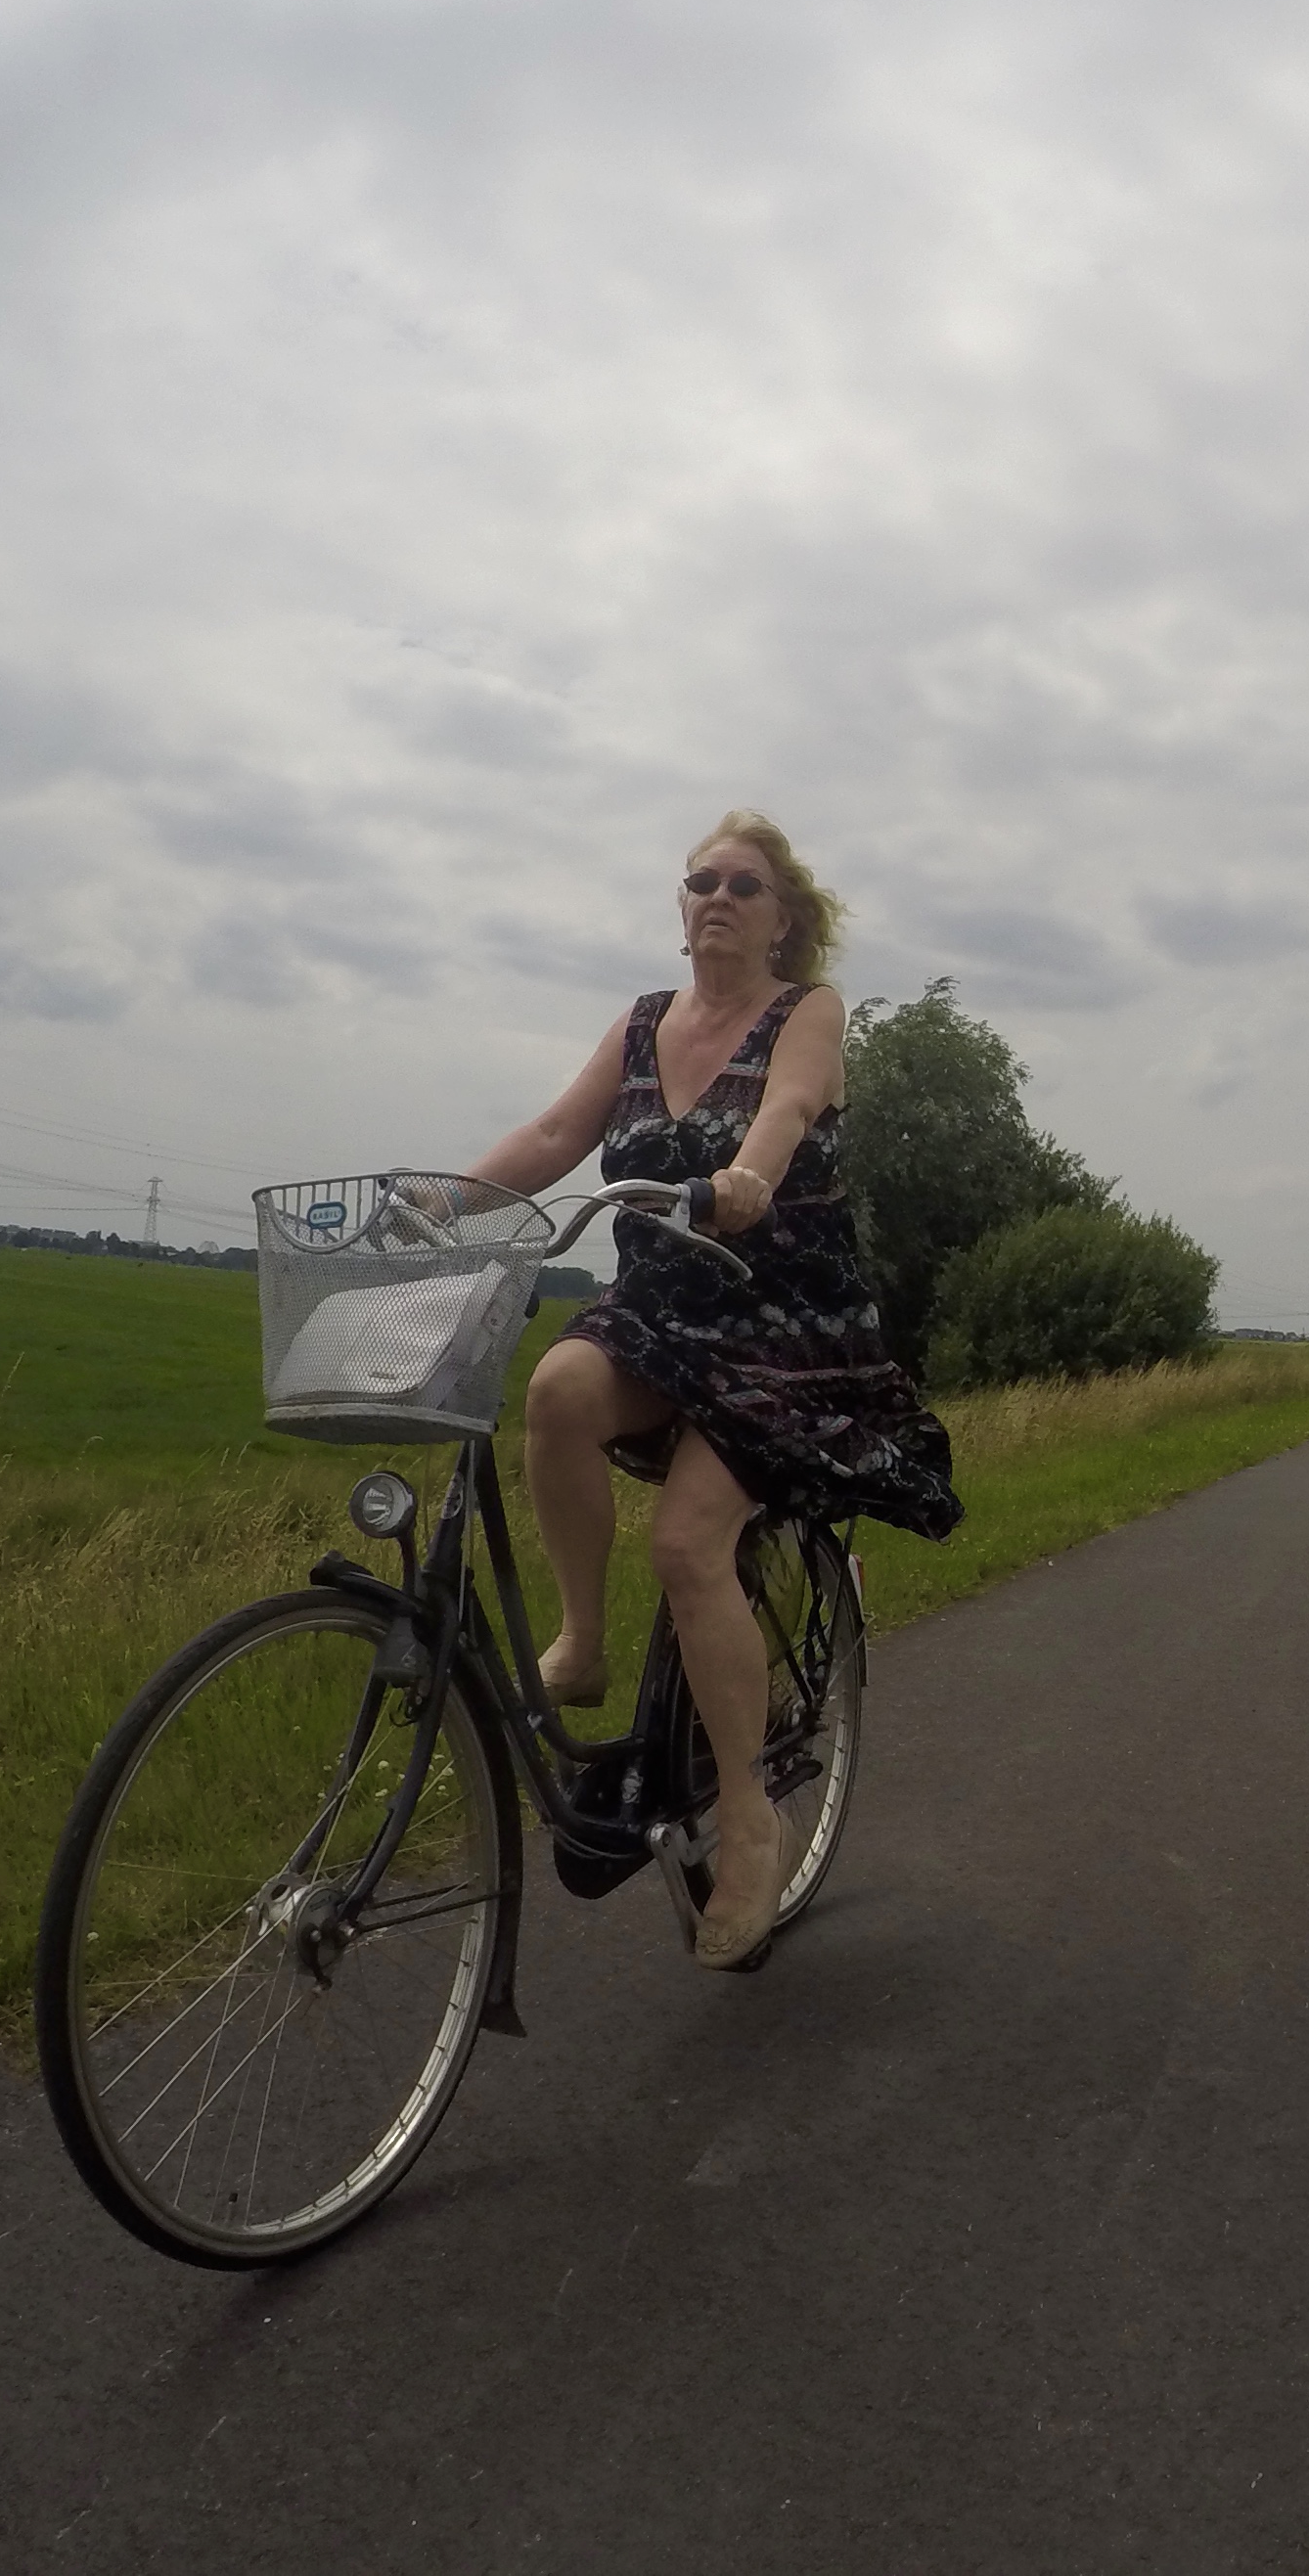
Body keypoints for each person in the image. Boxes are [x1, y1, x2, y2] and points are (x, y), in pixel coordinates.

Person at [454, 812, 961, 1967]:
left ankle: (746, 1816)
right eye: (701, 883)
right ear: (680, 910)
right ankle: (581, 1645)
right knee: (560, 1393)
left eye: (745, 885)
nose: (718, 898)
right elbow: (549, 1133)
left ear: (785, 919)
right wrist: (443, 1201)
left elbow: (786, 1108)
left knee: (688, 1547)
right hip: (664, 1308)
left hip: (785, 1321)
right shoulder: (639, 1025)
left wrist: (746, 1175)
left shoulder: (807, 1013)